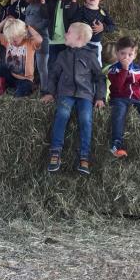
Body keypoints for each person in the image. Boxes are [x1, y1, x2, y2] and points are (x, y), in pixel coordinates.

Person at [41, 22, 104, 175]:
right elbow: (54, 75)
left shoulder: (90, 55)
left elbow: (100, 77)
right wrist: (51, 92)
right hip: (66, 93)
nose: (65, 34)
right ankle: (55, 151)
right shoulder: (63, 55)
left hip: (85, 95)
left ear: (79, 38)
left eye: (68, 32)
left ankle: (84, 156)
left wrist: (100, 97)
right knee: (62, 114)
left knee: (85, 118)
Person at [108, 36, 140, 158]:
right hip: (119, 98)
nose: (126, 57)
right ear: (117, 53)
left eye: (130, 54)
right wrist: (124, 70)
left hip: (136, 99)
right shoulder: (113, 69)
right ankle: (116, 145)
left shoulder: (138, 70)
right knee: (119, 113)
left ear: (135, 55)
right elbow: (117, 86)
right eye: (123, 54)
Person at [0, 17, 42, 97]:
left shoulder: (30, 43)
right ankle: (0, 91)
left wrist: (27, 26)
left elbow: (39, 39)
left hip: (25, 80)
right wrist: (5, 21)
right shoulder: (8, 41)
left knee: (18, 97)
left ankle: (22, 90)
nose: (12, 42)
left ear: (22, 34)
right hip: (11, 75)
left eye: (15, 40)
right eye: (10, 39)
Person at [73, 0, 116, 65]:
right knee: (81, 66)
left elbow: (113, 26)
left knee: (96, 67)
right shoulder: (81, 10)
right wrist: (83, 27)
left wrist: (103, 27)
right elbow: (74, 24)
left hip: (96, 45)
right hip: (82, 44)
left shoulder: (103, 12)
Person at [44, 0, 80, 69]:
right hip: (52, 42)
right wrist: (43, 2)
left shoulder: (73, 4)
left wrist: (73, 1)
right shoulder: (51, 3)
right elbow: (45, 16)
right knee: (52, 69)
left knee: (66, 69)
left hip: (67, 43)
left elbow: (71, 15)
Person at [23, 0, 50, 91]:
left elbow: (46, 21)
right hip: (30, 41)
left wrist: (34, 27)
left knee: (42, 67)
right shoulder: (29, 6)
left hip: (42, 42)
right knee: (31, 66)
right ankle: (32, 85)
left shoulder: (43, 7)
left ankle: (45, 89)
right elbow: (26, 20)